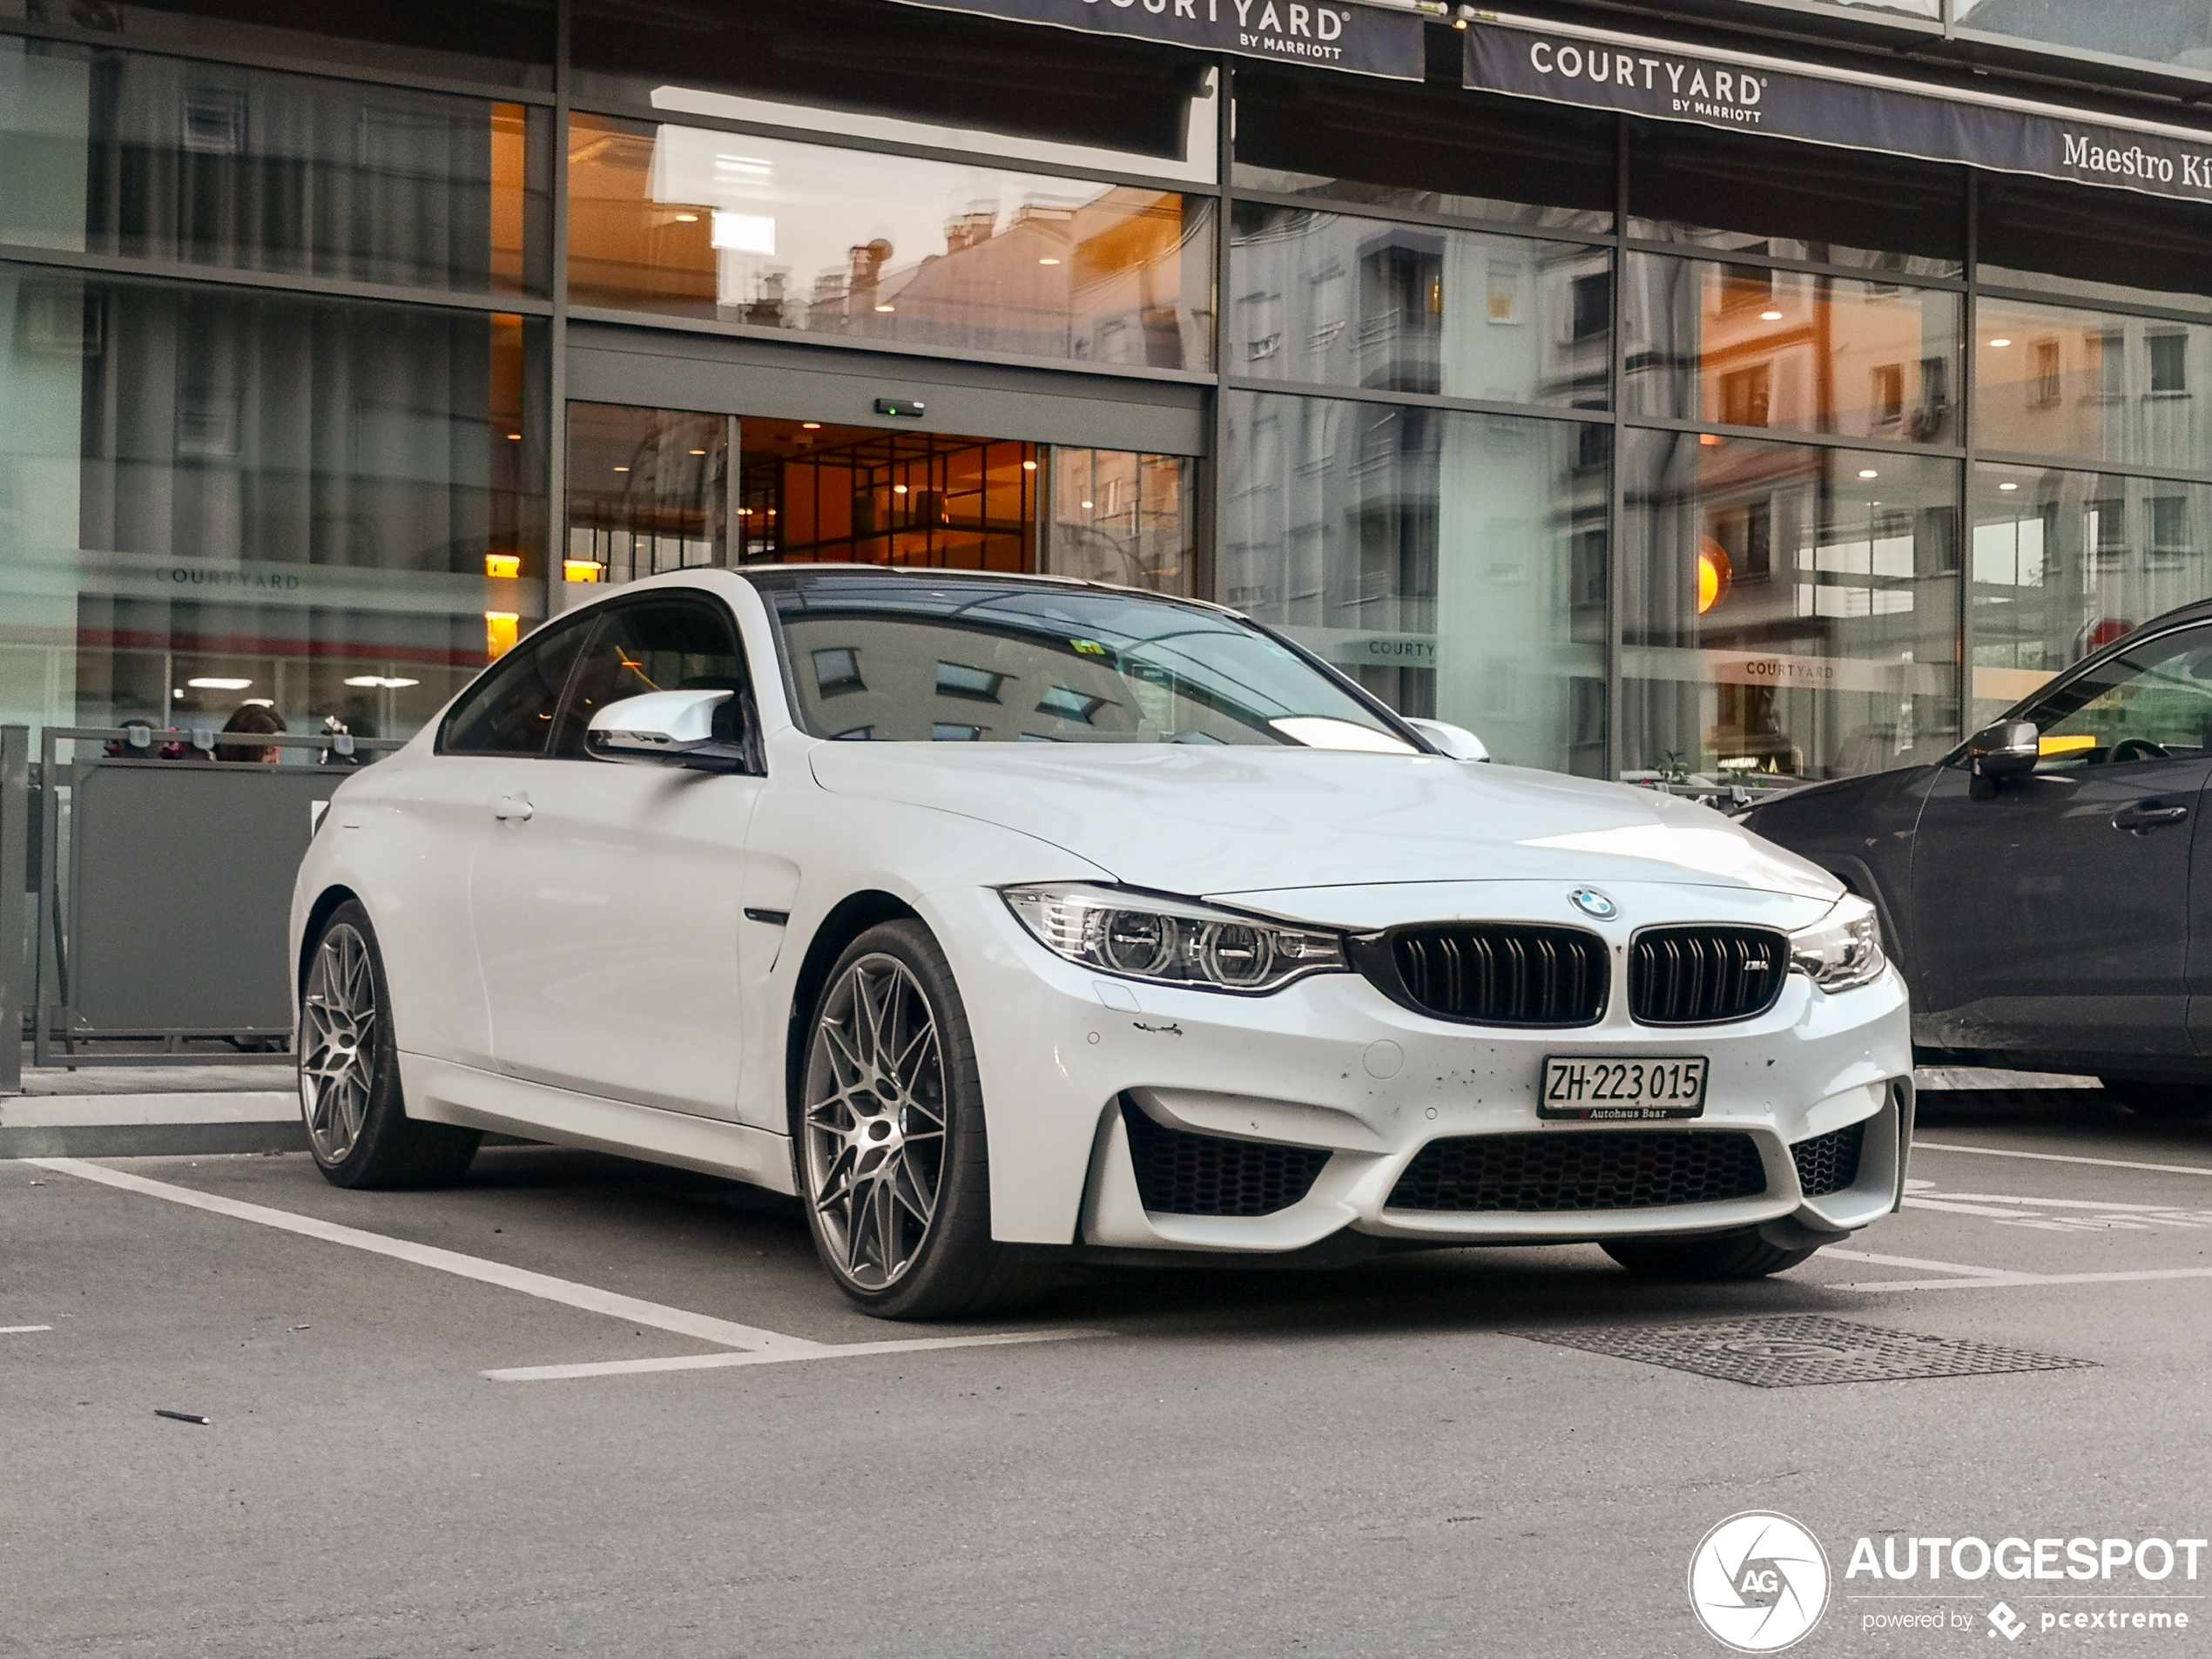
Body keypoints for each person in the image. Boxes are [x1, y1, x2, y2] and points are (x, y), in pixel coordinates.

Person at [215, 703, 287, 763]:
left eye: (279, 752)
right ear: (245, 749)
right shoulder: (209, 773)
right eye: (269, 752)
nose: (277, 762)